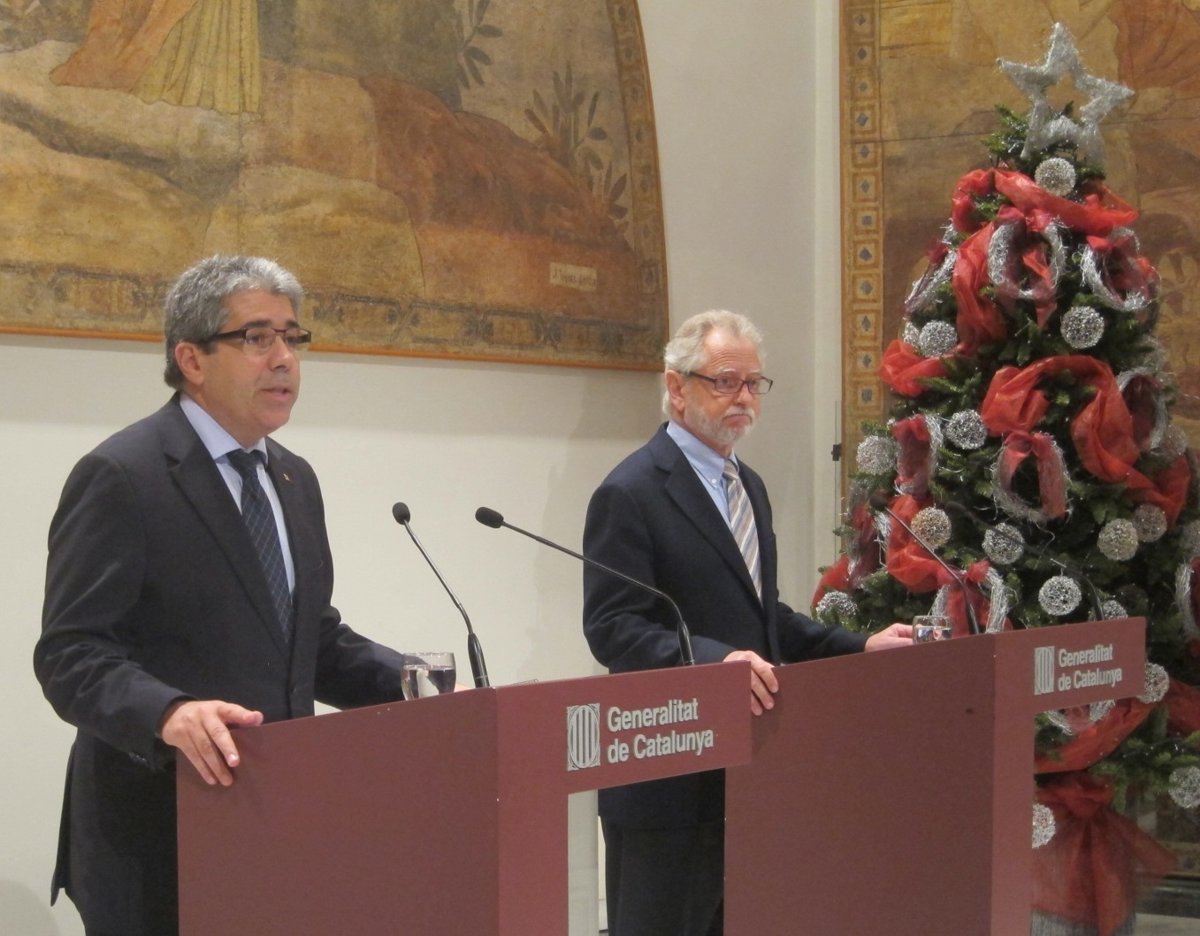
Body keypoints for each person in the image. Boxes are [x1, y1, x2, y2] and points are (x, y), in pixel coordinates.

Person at [33, 255, 412, 936]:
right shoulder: (124, 475)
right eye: (256, 337)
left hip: (272, 825)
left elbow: (307, 638)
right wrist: (169, 711)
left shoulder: (292, 478)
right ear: (192, 359)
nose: (284, 359)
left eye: (293, 338)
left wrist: (417, 684)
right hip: (157, 834)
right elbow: (71, 653)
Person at [582, 309, 912, 936]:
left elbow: (764, 618)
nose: (744, 398)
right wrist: (715, 662)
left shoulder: (748, 486)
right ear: (677, 388)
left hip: (750, 774)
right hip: (668, 780)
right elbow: (613, 627)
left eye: (754, 383)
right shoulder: (630, 491)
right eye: (724, 381)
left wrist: (862, 646)